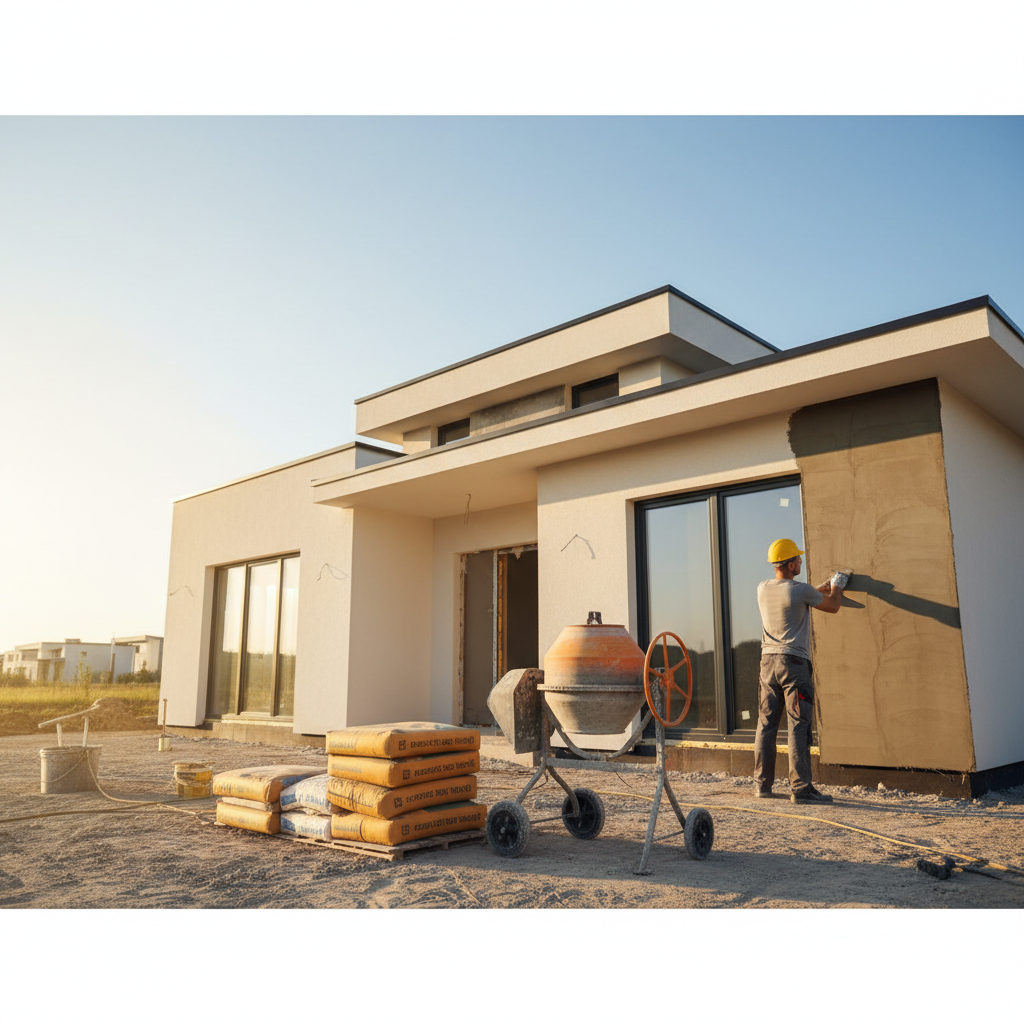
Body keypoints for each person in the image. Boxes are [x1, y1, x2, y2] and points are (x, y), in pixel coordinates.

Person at [753, 538, 844, 804]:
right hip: (794, 665)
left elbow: (791, 598)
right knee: (798, 725)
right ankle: (801, 789)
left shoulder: (763, 588)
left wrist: (815, 590)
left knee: (766, 725)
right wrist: (837, 586)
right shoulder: (800, 590)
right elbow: (833, 605)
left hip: (767, 664)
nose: (801, 562)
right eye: (798, 559)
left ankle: (762, 786)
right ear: (791, 563)